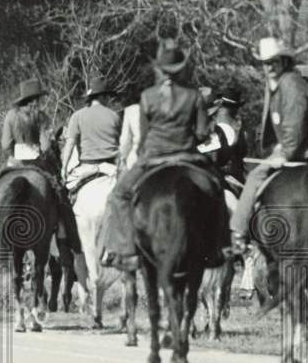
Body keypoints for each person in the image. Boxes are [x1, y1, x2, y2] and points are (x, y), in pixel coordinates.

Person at [100, 42, 226, 271]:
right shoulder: (194, 96)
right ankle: (218, 246)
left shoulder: (147, 96)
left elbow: (145, 135)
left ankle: (127, 251)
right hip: (188, 157)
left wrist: (141, 157)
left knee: (118, 195)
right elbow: (201, 132)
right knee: (217, 188)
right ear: (181, 69)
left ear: (160, 69)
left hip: (154, 158)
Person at [229, 38, 308, 254]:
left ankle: (238, 232)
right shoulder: (277, 84)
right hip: (298, 148)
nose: (269, 67)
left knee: (254, 177)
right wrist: (279, 149)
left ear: (284, 61)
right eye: (265, 63)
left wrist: (284, 153)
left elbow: (295, 124)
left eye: (273, 62)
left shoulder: (292, 83)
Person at [0, 78, 76, 248]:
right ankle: (63, 232)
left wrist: (14, 152)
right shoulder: (41, 116)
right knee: (59, 195)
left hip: (15, 162)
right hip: (37, 163)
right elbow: (46, 147)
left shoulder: (11, 115)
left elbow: (4, 144)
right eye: (40, 99)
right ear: (36, 99)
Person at [59, 76, 121, 193]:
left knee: (66, 197)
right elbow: (122, 144)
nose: (109, 100)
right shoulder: (114, 116)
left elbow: (70, 144)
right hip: (112, 167)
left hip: (87, 167)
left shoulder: (77, 116)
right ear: (103, 96)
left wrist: (64, 167)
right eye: (108, 96)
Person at [198, 86, 247, 187]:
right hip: (235, 172)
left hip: (220, 175)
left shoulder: (218, 129)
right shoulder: (238, 124)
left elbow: (214, 161)